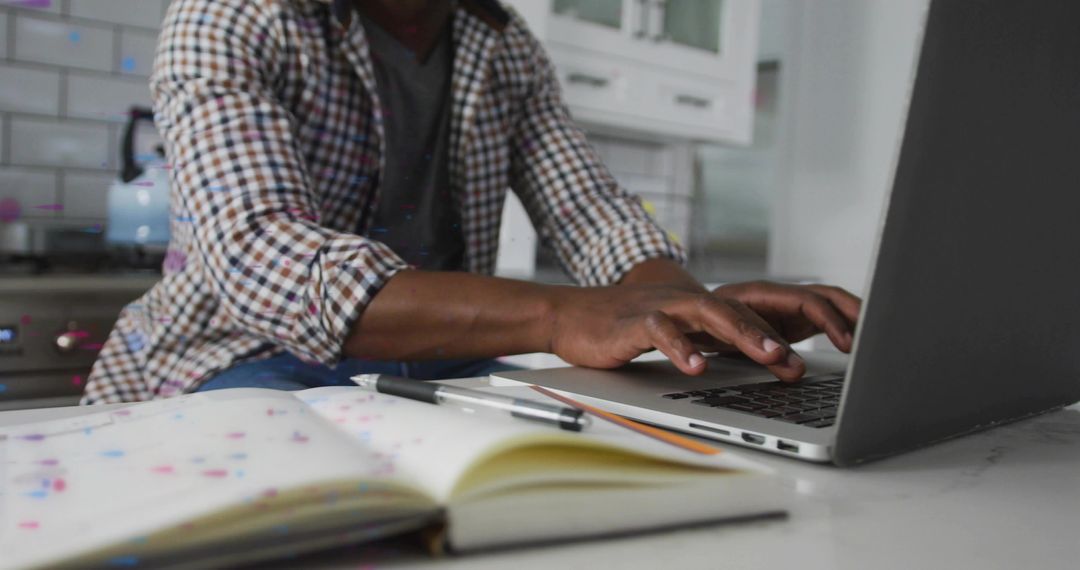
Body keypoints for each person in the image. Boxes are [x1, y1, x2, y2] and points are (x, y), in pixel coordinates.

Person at [81, 0, 860, 404]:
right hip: (242, 356)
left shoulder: (503, 40)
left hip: (440, 365)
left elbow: (590, 210)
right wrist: (558, 315)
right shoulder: (233, 15)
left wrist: (693, 313)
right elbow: (262, 257)